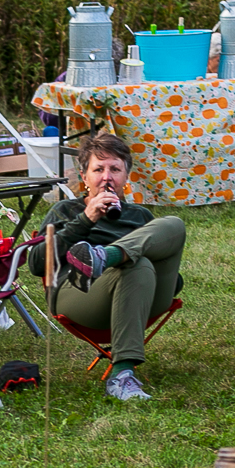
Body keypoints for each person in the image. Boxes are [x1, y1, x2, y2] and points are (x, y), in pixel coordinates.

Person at [29, 129, 187, 403]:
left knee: (173, 224)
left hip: (141, 297)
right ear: (84, 177)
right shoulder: (65, 210)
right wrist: (85, 219)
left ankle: (106, 256)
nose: (106, 176)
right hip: (80, 294)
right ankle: (122, 375)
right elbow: (35, 262)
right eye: (98, 168)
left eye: (115, 169)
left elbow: (176, 283)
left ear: (126, 177)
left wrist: (147, 262)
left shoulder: (140, 216)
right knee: (136, 268)